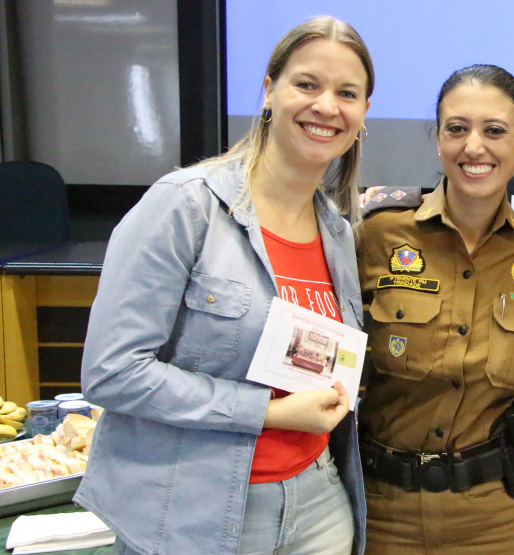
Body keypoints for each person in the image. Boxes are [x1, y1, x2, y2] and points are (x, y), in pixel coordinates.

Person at [76, 16, 373, 555]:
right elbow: (111, 373)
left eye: (346, 93)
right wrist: (267, 412)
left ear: (363, 114)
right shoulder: (183, 205)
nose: (326, 106)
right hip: (193, 513)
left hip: (319, 505)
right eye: (307, 84)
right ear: (269, 91)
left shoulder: (337, 231)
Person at [355, 64, 514, 554]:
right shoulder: (377, 232)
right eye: (457, 129)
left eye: (495, 131)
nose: (474, 147)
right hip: (387, 508)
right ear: (438, 138)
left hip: (498, 511)